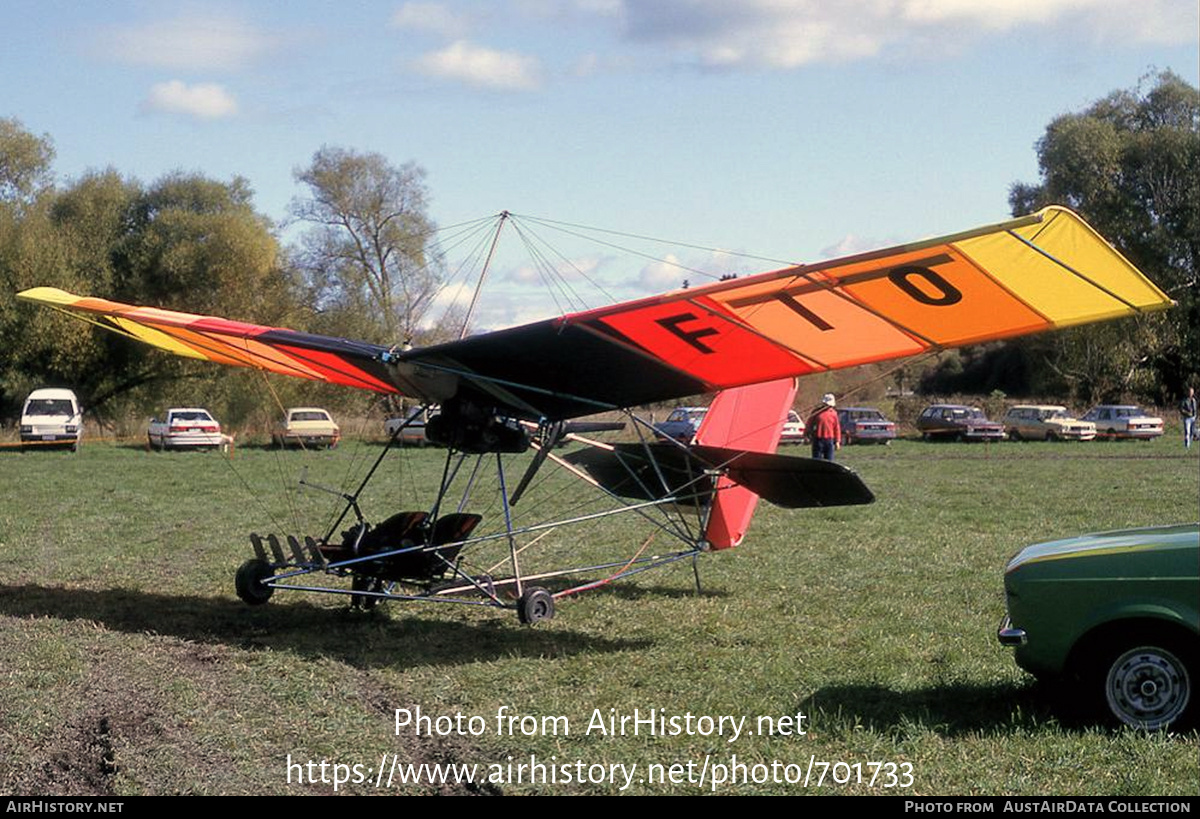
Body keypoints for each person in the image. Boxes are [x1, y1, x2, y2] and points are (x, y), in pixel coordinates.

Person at [807, 393, 841, 462]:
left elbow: (836, 428)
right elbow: (809, 424)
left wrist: (837, 441)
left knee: (829, 461)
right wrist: (807, 435)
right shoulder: (816, 412)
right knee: (816, 461)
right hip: (818, 439)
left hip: (829, 440)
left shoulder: (833, 413)